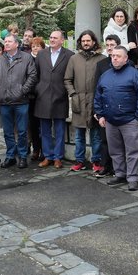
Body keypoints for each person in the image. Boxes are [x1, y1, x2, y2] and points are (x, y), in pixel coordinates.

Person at [94, 46, 138, 191]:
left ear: (126, 59)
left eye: (118, 56)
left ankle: (132, 178)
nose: (115, 58)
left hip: (130, 121)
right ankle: (120, 174)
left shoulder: (135, 75)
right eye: (112, 56)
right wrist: (100, 114)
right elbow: (98, 96)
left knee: (132, 151)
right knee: (115, 151)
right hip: (111, 121)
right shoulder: (105, 75)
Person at [0, 34, 38, 168]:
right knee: (7, 131)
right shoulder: (1, 59)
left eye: (9, 42)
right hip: (5, 100)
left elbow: (32, 75)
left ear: (16, 44)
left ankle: (23, 156)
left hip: (21, 101)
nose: (6, 44)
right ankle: (10, 156)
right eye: (5, 41)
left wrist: (22, 90)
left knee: (22, 130)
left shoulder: (26, 57)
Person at [65, 30, 106, 172]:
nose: (86, 43)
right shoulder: (74, 59)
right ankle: (79, 161)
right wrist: (73, 94)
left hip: (95, 101)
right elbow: (67, 80)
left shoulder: (101, 59)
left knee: (95, 135)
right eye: (83, 41)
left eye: (88, 40)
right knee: (79, 135)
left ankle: (96, 161)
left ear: (94, 42)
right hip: (79, 101)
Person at [35, 30, 73, 169]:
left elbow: (70, 75)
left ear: (62, 40)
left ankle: (58, 157)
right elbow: (36, 74)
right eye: (50, 37)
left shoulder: (69, 55)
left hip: (60, 97)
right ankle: (48, 156)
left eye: (55, 38)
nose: (52, 40)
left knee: (59, 130)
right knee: (44, 129)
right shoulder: (41, 54)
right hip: (43, 97)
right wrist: (38, 89)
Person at [93, 35, 121, 178]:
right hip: (105, 109)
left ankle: (118, 168)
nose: (109, 47)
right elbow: (96, 88)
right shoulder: (101, 64)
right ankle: (105, 166)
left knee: (118, 142)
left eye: (112, 45)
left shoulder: (125, 63)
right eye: (107, 45)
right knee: (104, 140)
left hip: (121, 109)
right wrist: (97, 111)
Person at [28, 36, 45, 161]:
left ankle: (45, 150)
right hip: (31, 97)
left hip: (43, 97)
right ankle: (36, 149)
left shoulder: (45, 59)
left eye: (38, 46)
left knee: (43, 126)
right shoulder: (28, 59)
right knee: (33, 125)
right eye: (33, 46)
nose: (35, 48)